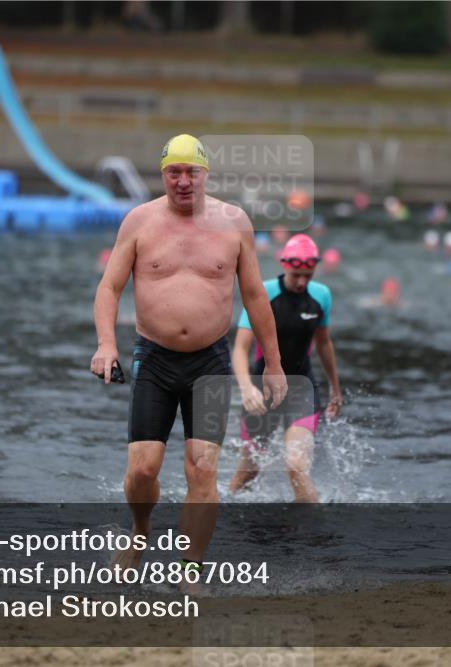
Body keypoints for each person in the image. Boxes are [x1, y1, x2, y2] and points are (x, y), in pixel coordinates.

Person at [91, 134, 287, 576]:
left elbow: (256, 296)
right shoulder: (139, 221)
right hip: (154, 360)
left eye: (191, 172)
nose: (183, 181)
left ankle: (190, 569)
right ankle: (140, 531)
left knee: (203, 470)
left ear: (205, 174)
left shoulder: (234, 222)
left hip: (209, 363)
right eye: (173, 172)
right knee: (143, 470)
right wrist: (106, 344)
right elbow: (109, 287)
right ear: (163, 175)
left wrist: (274, 364)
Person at [228, 234, 343, 503]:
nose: (302, 282)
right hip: (263, 390)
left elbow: (324, 343)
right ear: (284, 265)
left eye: (308, 275)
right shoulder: (263, 293)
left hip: (302, 388)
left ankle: (314, 525)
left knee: (296, 467)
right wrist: (246, 389)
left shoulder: (321, 296)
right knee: (247, 473)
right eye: (296, 275)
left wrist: (335, 388)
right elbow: (240, 349)